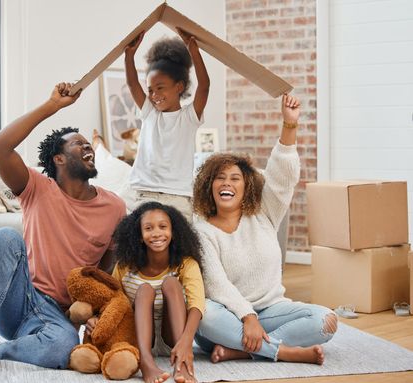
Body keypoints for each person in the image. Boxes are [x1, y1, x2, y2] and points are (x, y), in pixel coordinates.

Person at [0, 82, 126, 377]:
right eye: (78, 143)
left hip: (57, 315)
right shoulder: (36, 187)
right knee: (5, 237)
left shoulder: (114, 207)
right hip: (19, 298)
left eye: (89, 144)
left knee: (62, 349)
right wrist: (53, 106)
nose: (88, 147)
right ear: (58, 159)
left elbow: (104, 270)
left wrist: (92, 313)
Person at [192, 94, 338, 365]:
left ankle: (242, 351)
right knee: (203, 313)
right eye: (220, 178)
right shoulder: (202, 230)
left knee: (326, 320)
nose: (227, 183)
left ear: (247, 187)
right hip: (228, 318)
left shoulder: (265, 213)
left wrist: (289, 124)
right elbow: (215, 284)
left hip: (272, 311)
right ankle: (283, 352)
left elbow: (282, 176)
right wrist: (247, 317)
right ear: (209, 187)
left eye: (235, 178)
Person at [108, 201, 205, 383]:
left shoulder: (186, 264)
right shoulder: (125, 266)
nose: (157, 233)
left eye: (163, 227)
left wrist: (186, 342)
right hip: (140, 340)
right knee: (144, 290)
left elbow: (197, 304)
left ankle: (181, 365)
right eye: (149, 228)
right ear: (139, 236)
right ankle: (146, 363)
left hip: (174, 340)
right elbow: (113, 301)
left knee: (171, 283)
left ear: (173, 232)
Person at [124, 28, 210, 221]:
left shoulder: (188, 117)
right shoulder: (149, 114)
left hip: (177, 195)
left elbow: (204, 86)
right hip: (143, 192)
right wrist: (129, 56)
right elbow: (132, 84)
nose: (154, 95)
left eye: (160, 88)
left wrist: (193, 51)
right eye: (150, 90)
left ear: (179, 86)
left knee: (179, 248)